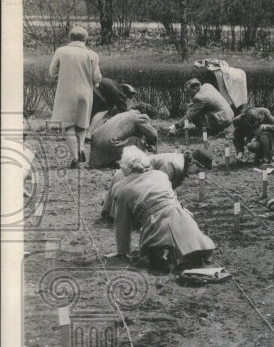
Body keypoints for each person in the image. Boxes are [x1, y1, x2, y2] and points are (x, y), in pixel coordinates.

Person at [109, 147, 215, 272]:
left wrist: (122, 252)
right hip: (181, 218)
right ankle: (190, 251)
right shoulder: (160, 175)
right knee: (186, 238)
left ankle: (167, 256)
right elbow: (171, 197)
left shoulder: (123, 190)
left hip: (156, 224)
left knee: (156, 254)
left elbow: (123, 225)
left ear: (125, 169)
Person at [101, 149, 212, 220]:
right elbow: (160, 191)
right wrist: (180, 211)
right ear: (192, 162)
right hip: (126, 179)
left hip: (133, 180)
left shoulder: (181, 163)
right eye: (197, 171)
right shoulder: (174, 165)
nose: (195, 174)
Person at [49, 26, 103, 168]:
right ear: (85, 39)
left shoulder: (61, 51)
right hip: (85, 92)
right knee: (82, 123)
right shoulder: (92, 55)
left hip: (66, 93)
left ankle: (74, 157)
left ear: (70, 38)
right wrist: (95, 83)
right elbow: (96, 77)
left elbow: (52, 73)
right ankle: (81, 149)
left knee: (68, 126)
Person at [88, 106, 159, 169]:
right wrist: (151, 144)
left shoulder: (123, 114)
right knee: (136, 140)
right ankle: (141, 163)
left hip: (96, 146)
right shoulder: (140, 117)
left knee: (123, 138)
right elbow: (153, 134)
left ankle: (107, 161)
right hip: (109, 145)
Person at [169, 78, 234, 136]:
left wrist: (176, 126)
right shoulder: (207, 86)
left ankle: (210, 132)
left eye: (189, 91)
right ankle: (214, 129)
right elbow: (209, 101)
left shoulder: (199, 98)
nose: (189, 94)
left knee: (193, 114)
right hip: (228, 116)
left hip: (222, 120)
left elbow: (190, 115)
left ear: (195, 88)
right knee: (194, 110)